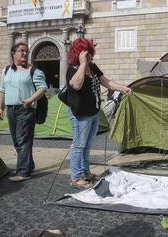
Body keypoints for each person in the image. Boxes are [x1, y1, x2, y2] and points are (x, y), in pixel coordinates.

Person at [66, 38, 132, 188]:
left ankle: (85, 172)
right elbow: (76, 85)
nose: (91, 55)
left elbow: (106, 82)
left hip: (94, 111)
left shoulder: (93, 67)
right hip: (80, 114)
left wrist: (123, 88)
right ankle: (75, 178)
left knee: (87, 145)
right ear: (80, 53)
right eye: (88, 52)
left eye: (91, 52)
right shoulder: (73, 69)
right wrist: (82, 64)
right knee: (78, 145)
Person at [0, 42, 47, 182]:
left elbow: (42, 88)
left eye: (26, 51)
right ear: (13, 53)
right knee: (16, 141)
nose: (25, 53)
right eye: (21, 51)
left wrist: (31, 99)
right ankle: (28, 164)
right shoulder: (6, 70)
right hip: (11, 109)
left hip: (26, 109)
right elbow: (2, 89)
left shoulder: (34, 70)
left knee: (23, 139)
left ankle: (23, 172)